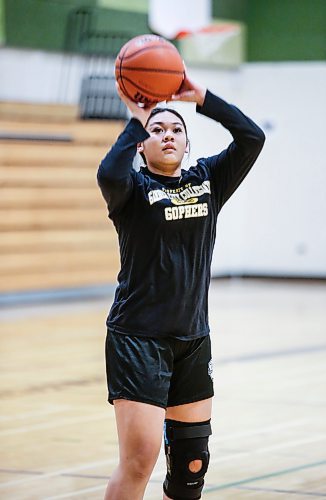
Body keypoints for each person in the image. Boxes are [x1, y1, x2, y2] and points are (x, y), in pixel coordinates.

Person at [97, 73, 265, 500]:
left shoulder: (208, 180)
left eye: (176, 130)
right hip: (138, 338)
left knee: (191, 468)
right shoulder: (133, 190)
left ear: (187, 143)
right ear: (142, 145)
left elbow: (252, 138)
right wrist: (138, 117)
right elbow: (108, 173)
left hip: (192, 338)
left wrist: (202, 96)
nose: (168, 135)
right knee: (140, 459)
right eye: (158, 130)